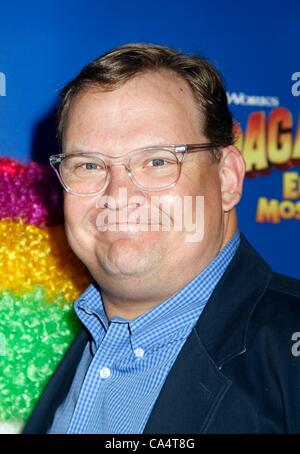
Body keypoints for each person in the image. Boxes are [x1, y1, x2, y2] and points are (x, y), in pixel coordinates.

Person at [24, 43, 300, 434]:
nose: (118, 196)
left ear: (227, 179)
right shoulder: (67, 349)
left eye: (156, 161)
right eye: (88, 164)